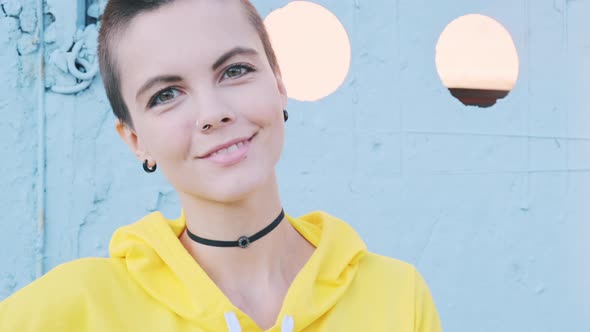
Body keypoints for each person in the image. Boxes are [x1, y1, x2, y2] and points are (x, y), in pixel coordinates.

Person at [0, 0, 442, 331]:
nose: (212, 113)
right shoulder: (73, 309)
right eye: (165, 95)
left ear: (279, 84)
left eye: (234, 71)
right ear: (135, 140)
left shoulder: (398, 297)